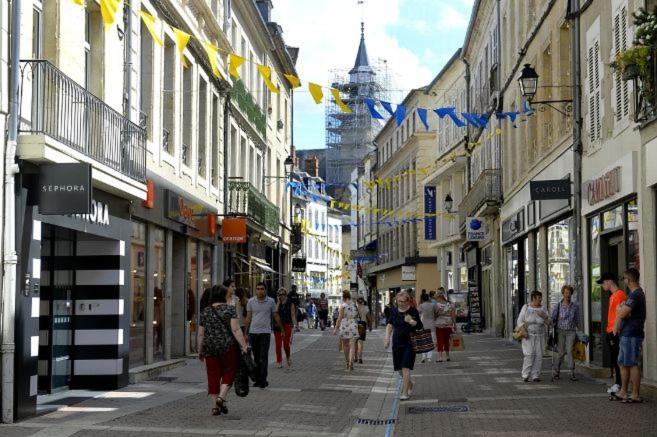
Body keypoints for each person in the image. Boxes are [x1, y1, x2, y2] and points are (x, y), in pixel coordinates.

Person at [198, 286, 248, 416]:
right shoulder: (229, 309)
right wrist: (243, 345)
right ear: (223, 296)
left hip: (210, 347)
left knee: (213, 375)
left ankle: (215, 406)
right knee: (230, 371)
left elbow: (201, 334)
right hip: (228, 346)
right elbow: (236, 330)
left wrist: (200, 350)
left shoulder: (206, 311)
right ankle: (221, 397)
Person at [614, 268, 646, 403]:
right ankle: (623, 392)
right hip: (628, 334)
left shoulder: (635, 295)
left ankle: (635, 394)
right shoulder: (635, 294)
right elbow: (625, 312)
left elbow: (622, 313)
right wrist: (622, 309)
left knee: (632, 363)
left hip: (631, 334)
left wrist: (619, 309)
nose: (624, 281)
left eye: (624, 279)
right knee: (623, 363)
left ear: (628, 279)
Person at [384, 290, 422, 401]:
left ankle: (405, 393)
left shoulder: (413, 311)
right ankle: (409, 383)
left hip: (410, 343)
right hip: (397, 343)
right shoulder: (394, 311)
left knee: (405, 368)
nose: (400, 303)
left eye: (403, 301)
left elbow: (419, 325)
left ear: (408, 301)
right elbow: (389, 325)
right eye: (399, 301)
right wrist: (386, 339)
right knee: (400, 369)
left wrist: (412, 322)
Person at [245, 282, 280, 389]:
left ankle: (263, 380)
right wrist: (245, 333)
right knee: (255, 357)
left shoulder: (271, 301)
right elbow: (248, 317)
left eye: (262, 289)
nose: (260, 291)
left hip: (265, 333)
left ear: (265, 290)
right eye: (258, 289)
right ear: (256, 290)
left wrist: (281, 329)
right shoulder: (251, 301)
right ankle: (257, 379)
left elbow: (275, 315)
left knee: (263, 357)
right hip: (253, 333)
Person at [597, 272, 626, 395]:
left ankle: (619, 384)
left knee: (617, 359)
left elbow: (621, 315)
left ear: (609, 281)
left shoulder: (619, 295)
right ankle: (617, 383)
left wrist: (615, 331)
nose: (602, 285)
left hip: (615, 332)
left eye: (603, 283)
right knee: (614, 359)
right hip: (610, 331)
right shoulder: (613, 296)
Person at [517, 291, 549, 382]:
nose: (540, 300)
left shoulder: (543, 308)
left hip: (540, 335)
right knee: (529, 354)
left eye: (541, 298)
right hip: (528, 335)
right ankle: (525, 375)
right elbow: (519, 321)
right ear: (533, 298)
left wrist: (544, 316)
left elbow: (549, 322)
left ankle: (535, 375)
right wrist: (523, 331)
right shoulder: (526, 307)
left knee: (539, 355)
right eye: (539, 298)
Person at [551, 284, 580, 381]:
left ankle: (572, 372)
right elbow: (552, 319)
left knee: (570, 351)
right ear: (563, 294)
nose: (568, 295)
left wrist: (580, 332)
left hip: (571, 331)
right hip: (560, 331)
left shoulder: (574, 306)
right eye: (566, 293)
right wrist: (556, 319)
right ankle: (557, 370)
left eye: (570, 293)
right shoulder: (558, 306)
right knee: (561, 353)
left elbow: (577, 320)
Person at [333, 290, 360, 370]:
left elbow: (339, 318)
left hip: (344, 325)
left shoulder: (343, 306)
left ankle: (347, 362)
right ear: (349, 297)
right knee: (352, 345)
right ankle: (351, 361)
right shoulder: (355, 305)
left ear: (344, 298)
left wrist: (336, 328)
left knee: (345, 345)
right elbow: (357, 316)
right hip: (353, 325)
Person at [274, 288, 296, 369]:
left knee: (286, 344)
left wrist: (295, 325)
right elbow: (275, 312)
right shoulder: (277, 303)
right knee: (278, 345)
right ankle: (279, 361)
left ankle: (288, 356)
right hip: (277, 325)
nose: (281, 296)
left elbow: (293, 315)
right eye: (279, 295)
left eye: (283, 294)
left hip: (287, 324)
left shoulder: (290, 303)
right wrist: (278, 302)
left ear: (286, 295)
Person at [434, 290, 456, 362]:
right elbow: (453, 315)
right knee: (447, 340)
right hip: (448, 324)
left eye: (436, 297)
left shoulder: (436, 305)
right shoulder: (450, 304)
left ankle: (440, 357)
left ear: (439, 297)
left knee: (440, 340)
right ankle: (447, 356)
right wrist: (454, 324)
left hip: (439, 324)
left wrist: (438, 313)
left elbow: (435, 315)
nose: (435, 298)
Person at [418, 292, 436, 363]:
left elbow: (417, 312)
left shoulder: (421, 305)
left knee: (423, 341)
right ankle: (429, 357)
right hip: (431, 324)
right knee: (431, 341)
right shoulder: (432, 305)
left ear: (422, 298)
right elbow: (437, 312)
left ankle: (423, 356)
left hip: (423, 324)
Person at [355, 297, 370, 364]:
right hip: (363, 325)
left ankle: (355, 357)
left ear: (357, 302)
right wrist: (370, 325)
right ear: (363, 301)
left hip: (355, 324)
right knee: (360, 342)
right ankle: (360, 358)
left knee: (355, 342)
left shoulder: (355, 308)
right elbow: (369, 317)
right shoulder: (365, 308)